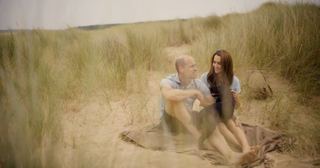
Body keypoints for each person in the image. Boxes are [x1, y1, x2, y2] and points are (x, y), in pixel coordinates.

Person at [159, 55, 259, 165]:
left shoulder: (197, 83)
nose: (196, 68)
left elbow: (212, 104)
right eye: (192, 66)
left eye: (195, 65)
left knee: (210, 116)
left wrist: (234, 116)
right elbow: (168, 94)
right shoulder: (169, 80)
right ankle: (200, 138)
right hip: (170, 121)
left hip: (187, 122)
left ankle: (232, 155)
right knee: (175, 100)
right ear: (181, 69)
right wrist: (195, 93)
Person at [200, 49, 257, 153]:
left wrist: (236, 100)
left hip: (227, 112)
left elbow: (236, 107)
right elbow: (202, 103)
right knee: (221, 124)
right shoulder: (205, 78)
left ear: (226, 65)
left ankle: (246, 147)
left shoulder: (234, 80)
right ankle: (240, 148)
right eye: (214, 62)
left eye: (219, 63)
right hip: (212, 112)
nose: (215, 66)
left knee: (234, 124)